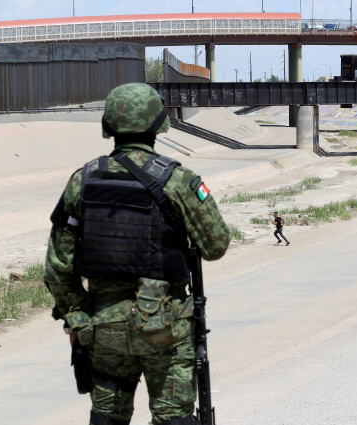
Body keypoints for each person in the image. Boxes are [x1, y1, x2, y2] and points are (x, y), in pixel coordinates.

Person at [43, 83, 231, 425]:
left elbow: (58, 267)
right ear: (159, 124)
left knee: (107, 418)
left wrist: (78, 316)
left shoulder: (81, 181)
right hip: (166, 328)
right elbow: (215, 246)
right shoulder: (178, 181)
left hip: (104, 328)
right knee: (173, 419)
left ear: (109, 126)